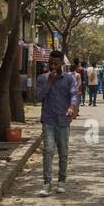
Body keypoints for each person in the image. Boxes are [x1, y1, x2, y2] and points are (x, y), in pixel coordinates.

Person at [37, 49, 80, 196]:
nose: (53, 66)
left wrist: (72, 106)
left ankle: (61, 181)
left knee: (63, 152)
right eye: (51, 63)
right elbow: (38, 96)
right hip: (48, 120)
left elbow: (74, 94)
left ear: (62, 63)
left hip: (63, 120)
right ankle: (46, 183)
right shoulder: (42, 78)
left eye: (56, 63)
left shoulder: (69, 79)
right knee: (48, 150)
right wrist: (49, 82)